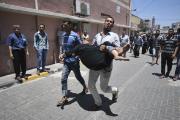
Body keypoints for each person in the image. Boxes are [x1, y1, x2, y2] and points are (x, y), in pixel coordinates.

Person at [88, 16, 120, 109]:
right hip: (95, 65)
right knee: (90, 85)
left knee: (104, 88)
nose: (109, 22)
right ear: (104, 22)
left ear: (112, 25)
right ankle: (98, 102)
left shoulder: (114, 36)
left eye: (111, 22)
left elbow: (118, 49)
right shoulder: (97, 36)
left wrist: (106, 49)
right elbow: (93, 48)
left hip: (106, 66)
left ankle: (115, 91)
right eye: (107, 21)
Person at [57, 21, 88, 106]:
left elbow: (80, 47)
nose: (64, 26)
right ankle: (65, 97)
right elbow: (64, 47)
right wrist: (61, 54)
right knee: (63, 78)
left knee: (78, 76)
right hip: (66, 62)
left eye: (66, 25)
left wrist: (76, 57)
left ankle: (85, 87)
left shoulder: (75, 35)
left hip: (74, 62)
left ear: (70, 26)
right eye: (63, 25)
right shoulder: (64, 35)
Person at [62, 40, 130, 70]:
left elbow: (72, 53)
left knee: (106, 44)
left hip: (103, 62)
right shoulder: (80, 47)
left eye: (86, 40)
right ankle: (118, 53)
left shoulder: (91, 46)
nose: (85, 40)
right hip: (96, 62)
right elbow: (71, 52)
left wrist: (102, 46)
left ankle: (118, 52)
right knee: (106, 46)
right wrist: (63, 55)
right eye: (84, 40)